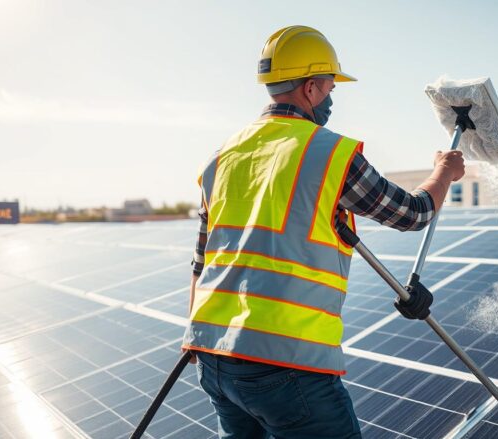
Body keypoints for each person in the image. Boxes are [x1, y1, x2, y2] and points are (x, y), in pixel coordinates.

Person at [181, 25, 465, 439]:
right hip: (287, 363)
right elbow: (412, 213)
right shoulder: (327, 152)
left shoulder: (221, 157)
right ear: (311, 88)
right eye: (331, 86)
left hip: (213, 355)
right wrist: (444, 172)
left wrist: (193, 334)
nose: (332, 96)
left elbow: (200, 261)